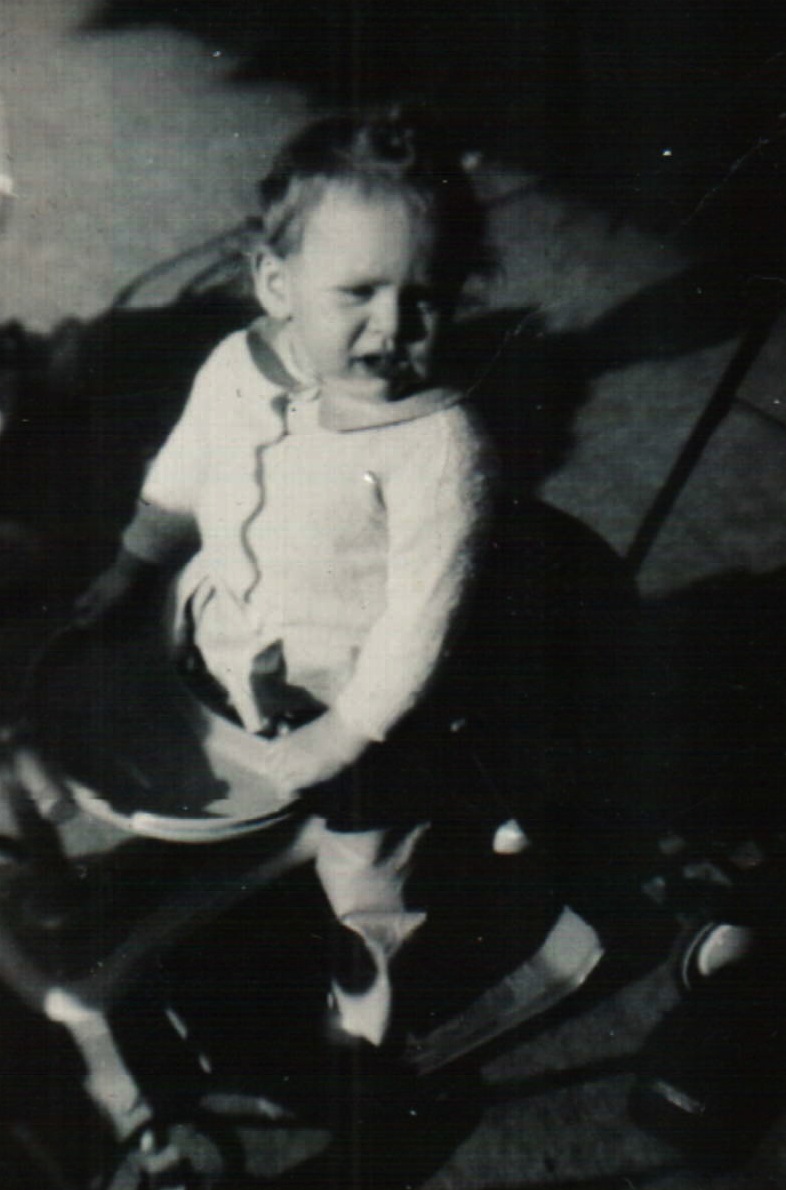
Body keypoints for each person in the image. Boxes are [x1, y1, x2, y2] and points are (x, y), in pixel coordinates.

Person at [75, 108, 498, 1054]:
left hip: (364, 702)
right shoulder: (237, 366)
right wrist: (134, 562)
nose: (392, 326)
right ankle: (224, 858)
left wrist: (344, 734)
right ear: (277, 284)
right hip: (232, 645)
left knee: (365, 853)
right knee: (195, 757)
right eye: (358, 292)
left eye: (425, 297)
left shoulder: (437, 445)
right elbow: (186, 469)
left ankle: (369, 960)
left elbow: (421, 622)